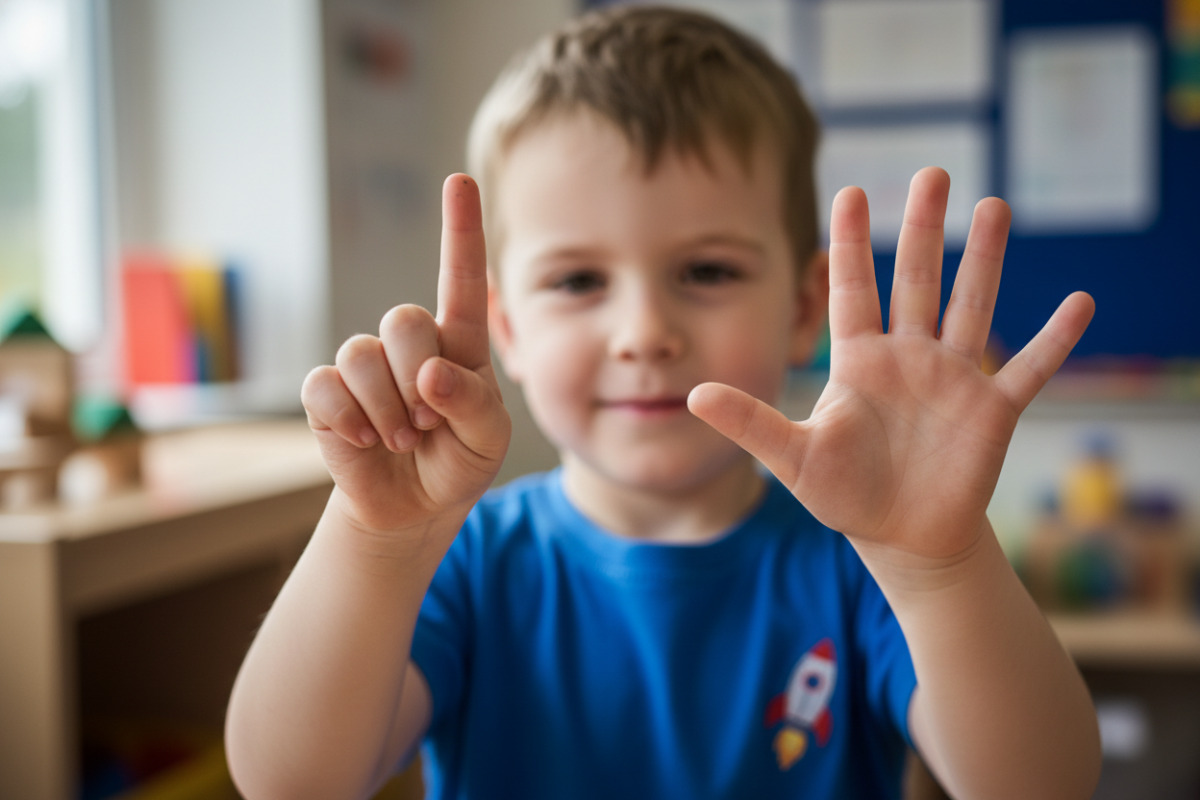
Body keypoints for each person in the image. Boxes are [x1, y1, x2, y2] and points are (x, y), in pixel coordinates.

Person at [225, 6, 1102, 799]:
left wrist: (939, 567)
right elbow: (291, 782)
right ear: (510, 331)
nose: (644, 331)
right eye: (577, 280)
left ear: (804, 312)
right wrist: (374, 541)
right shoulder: (465, 561)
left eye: (707, 271)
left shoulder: (865, 562)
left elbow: (1043, 783)